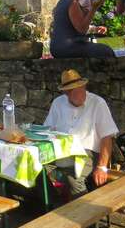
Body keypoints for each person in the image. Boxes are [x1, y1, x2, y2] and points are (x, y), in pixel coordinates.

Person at [44, 69, 118, 197]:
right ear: (66, 92)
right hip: (62, 151)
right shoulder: (58, 103)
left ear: (84, 86)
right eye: (75, 91)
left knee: (74, 178)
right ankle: (54, 205)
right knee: (37, 168)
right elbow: (48, 130)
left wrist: (102, 167)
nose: (80, 93)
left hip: (87, 153)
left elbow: (107, 136)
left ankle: (83, 213)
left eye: (81, 89)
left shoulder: (97, 103)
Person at [50, 0, 115, 59]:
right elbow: (82, 29)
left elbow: (72, 25)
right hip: (67, 47)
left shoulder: (63, 1)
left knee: (102, 50)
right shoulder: (72, 3)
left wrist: (94, 29)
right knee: (106, 51)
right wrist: (93, 9)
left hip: (59, 47)